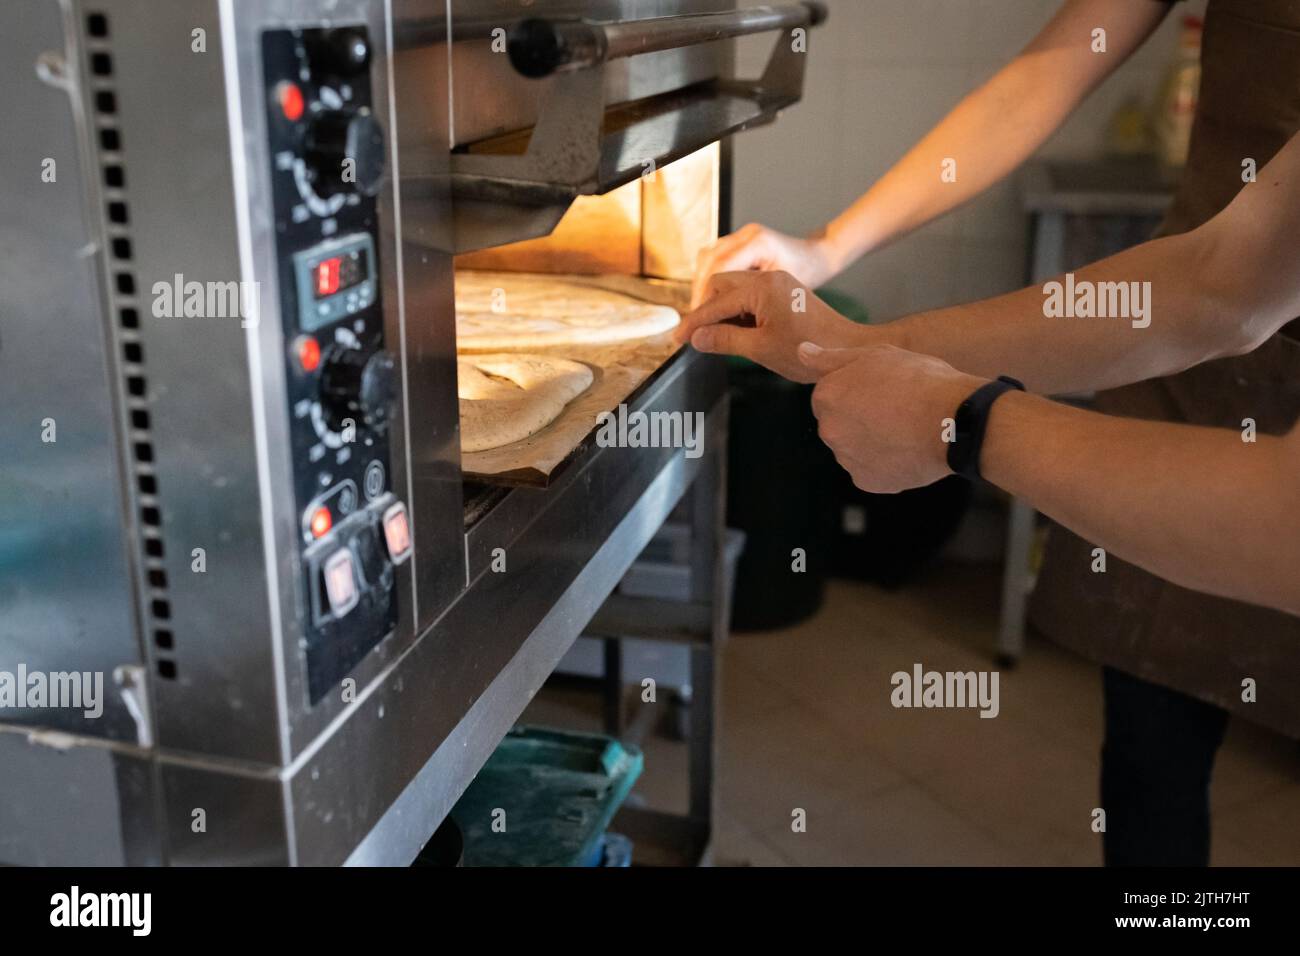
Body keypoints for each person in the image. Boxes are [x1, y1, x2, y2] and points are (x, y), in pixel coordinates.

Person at [683, 0, 1300, 865]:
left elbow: (1281, 521)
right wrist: (843, 289)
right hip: (1183, 363)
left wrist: (961, 421)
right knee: (1150, 748)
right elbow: (1221, 284)